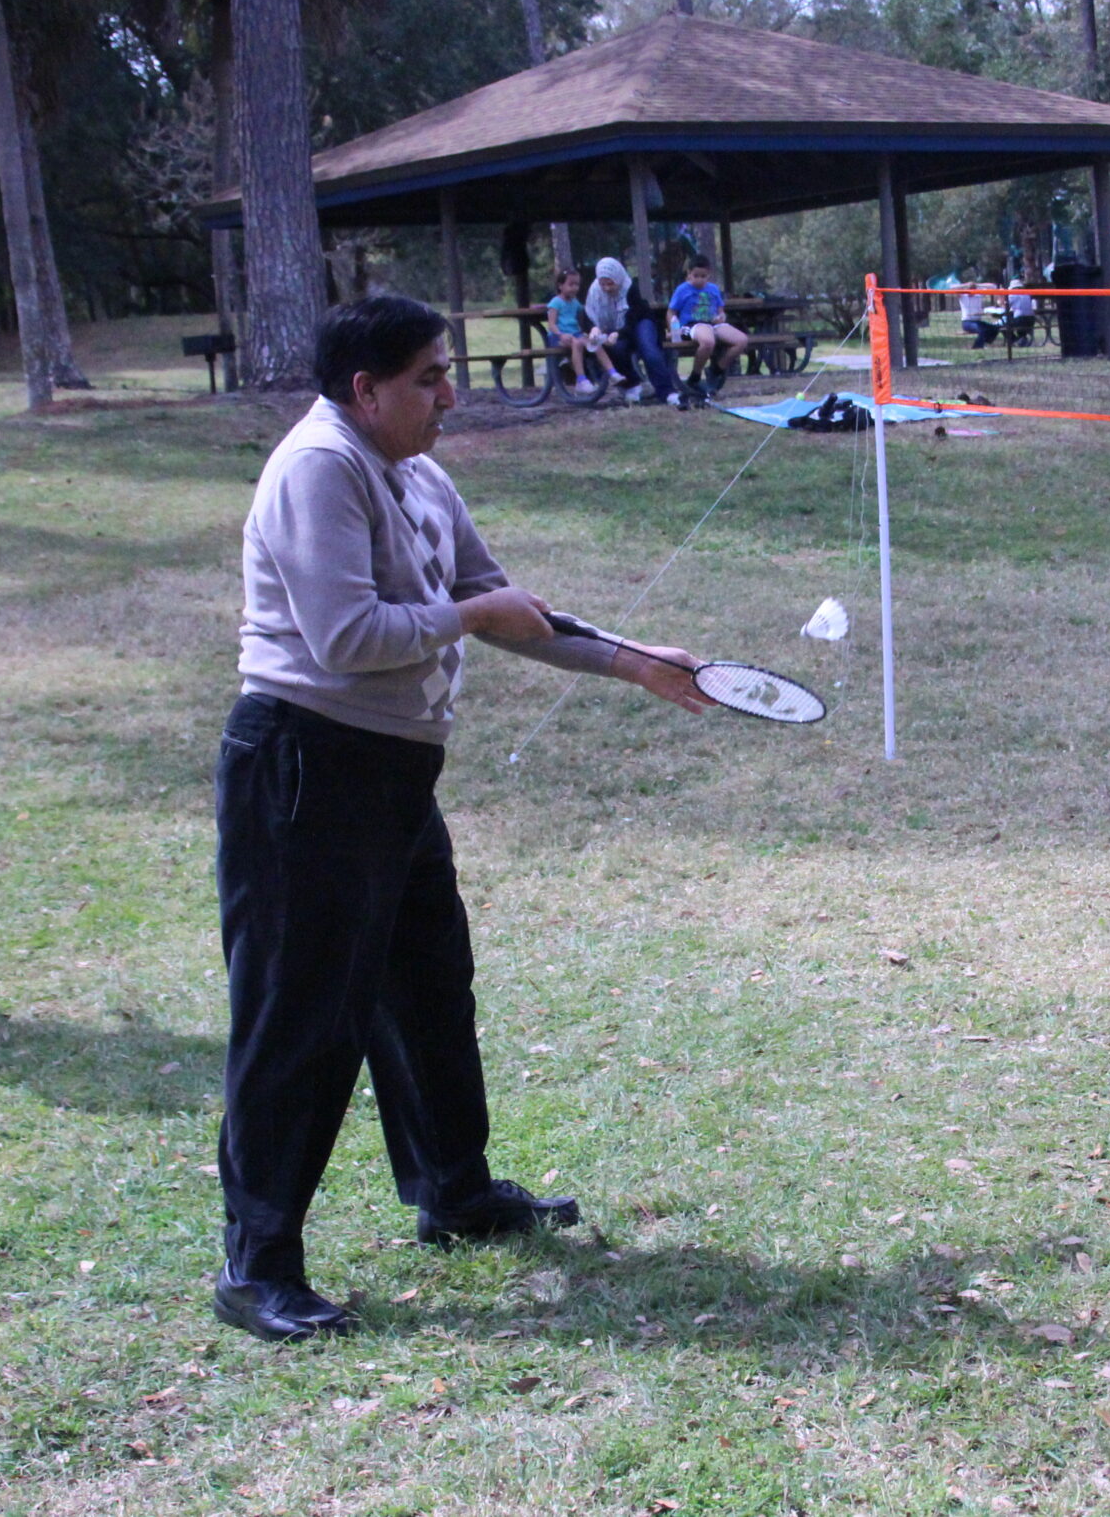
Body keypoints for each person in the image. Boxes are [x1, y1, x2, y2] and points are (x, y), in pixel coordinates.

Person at [211, 295, 712, 1343]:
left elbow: (505, 604)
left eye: (447, 372)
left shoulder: (418, 473)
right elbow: (347, 637)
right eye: (430, 378)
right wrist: (474, 616)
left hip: (392, 773)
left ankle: (454, 1191)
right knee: (301, 1016)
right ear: (366, 390)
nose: (451, 395)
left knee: (428, 985)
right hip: (306, 766)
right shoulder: (319, 468)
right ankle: (257, 1265)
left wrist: (635, 662)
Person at [587, 257, 682, 406]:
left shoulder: (629, 288)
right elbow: (589, 316)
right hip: (615, 329)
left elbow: (633, 318)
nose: (606, 288)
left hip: (640, 321)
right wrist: (594, 329)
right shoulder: (594, 293)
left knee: (649, 349)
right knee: (616, 349)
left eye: (610, 284)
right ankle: (631, 385)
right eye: (603, 284)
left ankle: (667, 391)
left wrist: (619, 333)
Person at [668, 259, 748, 391]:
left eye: (703, 276)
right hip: (692, 324)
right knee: (708, 341)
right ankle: (695, 376)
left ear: (708, 275)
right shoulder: (682, 289)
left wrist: (721, 317)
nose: (699, 280)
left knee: (742, 340)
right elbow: (671, 312)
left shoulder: (713, 289)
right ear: (689, 274)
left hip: (713, 323)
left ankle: (717, 369)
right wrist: (673, 329)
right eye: (696, 276)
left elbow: (720, 310)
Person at [544, 267, 614, 395]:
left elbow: (585, 312)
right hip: (558, 337)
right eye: (571, 284)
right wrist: (561, 334)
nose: (575, 288)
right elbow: (551, 325)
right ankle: (581, 380)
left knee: (593, 343)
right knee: (577, 343)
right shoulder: (556, 302)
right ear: (560, 286)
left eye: (577, 285)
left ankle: (611, 372)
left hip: (575, 335)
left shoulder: (575, 302)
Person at [956, 278, 997, 349]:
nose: (971, 291)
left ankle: (985, 342)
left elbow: (993, 286)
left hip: (977, 321)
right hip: (967, 322)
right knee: (982, 330)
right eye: (969, 289)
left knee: (994, 328)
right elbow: (953, 288)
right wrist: (966, 285)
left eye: (973, 289)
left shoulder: (978, 295)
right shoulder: (963, 297)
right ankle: (977, 346)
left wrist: (978, 285)